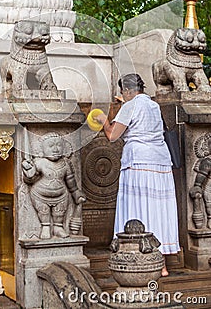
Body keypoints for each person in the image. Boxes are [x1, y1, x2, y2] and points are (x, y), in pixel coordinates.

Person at [95, 73, 180, 277]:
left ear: (126, 91)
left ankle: (137, 259)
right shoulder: (153, 105)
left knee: (139, 208)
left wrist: (104, 120)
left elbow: (112, 135)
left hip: (139, 162)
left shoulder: (129, 106)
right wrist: (125, 103)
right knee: (159, 209)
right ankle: (162, 265)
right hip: (160, 162)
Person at [22, 132, 85, 239]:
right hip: (40, 194)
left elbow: (70, 180)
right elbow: (30, 179)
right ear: (42, 150)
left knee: (59, 212)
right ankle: (45, 227)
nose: (55, 149)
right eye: (51, 146)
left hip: (61, 195)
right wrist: (29, 171)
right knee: (43, 211)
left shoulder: (65, 163)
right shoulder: (39, 162)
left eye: (59, 145)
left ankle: (58, 227)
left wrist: (75, 192)